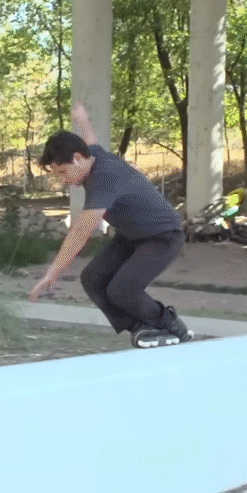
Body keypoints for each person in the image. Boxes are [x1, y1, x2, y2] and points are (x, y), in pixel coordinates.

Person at [29, 102, 193, 349]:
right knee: (93, 278)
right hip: (130, 236)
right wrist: (82, 119)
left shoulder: (104, 179)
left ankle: (170, 324)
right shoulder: (93, 155)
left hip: (163, 237)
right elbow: (90, 138)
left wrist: (52, 274)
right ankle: (141, 327)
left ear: (78, 159)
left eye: (62, 172)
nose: (62, 180)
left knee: (122, 288)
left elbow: (80, 232)